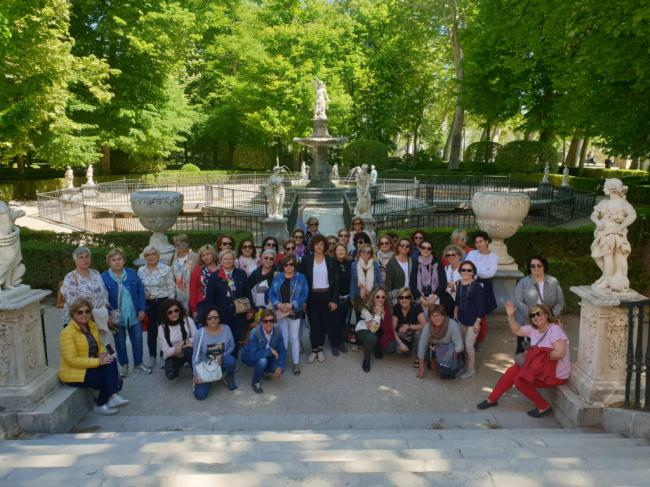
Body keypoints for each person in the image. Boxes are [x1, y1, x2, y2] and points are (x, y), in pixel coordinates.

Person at [477, 302, 570, 417]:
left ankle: (543, 406)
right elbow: (516, 330)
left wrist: (534, 354)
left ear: (546, 315)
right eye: (532, 315)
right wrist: (510, 316)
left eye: (538, 313)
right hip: (540, 368)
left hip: (555, 373)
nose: (536, 317)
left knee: (519, 381)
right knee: (512, 371)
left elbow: (560, 353)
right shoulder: (533, 329)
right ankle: (492, 399)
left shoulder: (554, 330)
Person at [59, 298, 128, 415]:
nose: (84, 315)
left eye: (87, 311)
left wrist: (102, 353)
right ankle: (100, 404)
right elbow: (72, 360)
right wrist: (98, 362)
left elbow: (100, 345)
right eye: (79, 312)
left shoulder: (91, 326)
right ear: (73, 314)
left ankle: (113, 397)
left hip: (90, 365)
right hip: (74, 372)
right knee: (106, 378)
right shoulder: (67, 333)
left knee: (111, 360)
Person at [101, 248, 151, 377]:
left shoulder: (132, 273)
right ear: (109, 262)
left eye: (119, 259)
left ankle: (138, 364)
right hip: (117, 318)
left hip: (134, 315)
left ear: (124, 260)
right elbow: (102, 298)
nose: (117, 262)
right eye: (113, 260)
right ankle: (124, 365)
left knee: (138, 340)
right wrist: (108, 315)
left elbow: (140, 292)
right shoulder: (104, 277)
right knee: (120, 342)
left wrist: (142, 309)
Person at [298, 235, 339, 364]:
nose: (319, 246)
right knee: (314, 324)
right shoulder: (306, 260)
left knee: (324, 324)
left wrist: (334, 300)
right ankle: (314, 349)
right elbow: (301, 281)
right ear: (312, 246)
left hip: (326, 295)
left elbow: (336, 282)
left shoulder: (331, 260)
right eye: (317, 244)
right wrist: (303, 300)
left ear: (325, 246)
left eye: (321, 244)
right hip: (312, 296)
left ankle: (320, 348)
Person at [204, 249, 252, 358]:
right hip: (221, 312)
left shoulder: (241, 273)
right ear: (220, 261)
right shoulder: (215, 276)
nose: (228, 261)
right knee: (219, 336)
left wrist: (251, 309)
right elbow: (210, 297)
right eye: (225, 259)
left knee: (235, 336)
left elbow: (247, 292)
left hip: (239, 311)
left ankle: (233, 360)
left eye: (231, 258)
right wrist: (211, 313)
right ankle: (217, 362)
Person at [514, 256, 565, 354]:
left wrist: (551, 316)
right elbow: (518, 302)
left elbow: (560, 302)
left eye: (539, 265)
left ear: (544, 266)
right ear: (529, 268)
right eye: (532, 266)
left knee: (546, 352)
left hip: (548, 323)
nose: (536, 268)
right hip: (528, 322)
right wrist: (533, 316)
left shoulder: (553, 281)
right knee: (524, 352)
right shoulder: (523, 282)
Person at [269, 255, 308, 374]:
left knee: (294, 338)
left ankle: (296, 363)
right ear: (283, 266)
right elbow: (271, 293)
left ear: (295, 265)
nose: (288, 267)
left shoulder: (301, 277)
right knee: (284, 338)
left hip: (294, 311)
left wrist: (292, 305)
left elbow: (304, 294)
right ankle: (282, 362)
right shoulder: (277, 277)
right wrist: (279, 304)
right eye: (286, 264)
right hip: (281, 311)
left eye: (291, 264)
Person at [138, 245, 175, 368]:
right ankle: (152, 356)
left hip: (164, 302)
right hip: (149, 304)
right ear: (145, 257)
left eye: (153, 254)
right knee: (151, 331)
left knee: (165, 330)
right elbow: (139, 287)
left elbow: (171, 288)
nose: (151, 257)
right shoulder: (141, 270)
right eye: (148, 255)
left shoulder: (166, 269)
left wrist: (171, 306)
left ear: (158, 255)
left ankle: (165, 354)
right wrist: (144, 293)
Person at [60, 246, 110, 334]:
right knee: (83, 346)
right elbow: (72, 302)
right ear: (75, 260)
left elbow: (104, 292)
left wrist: (104, 308)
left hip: (99, 319)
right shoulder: (70, 277)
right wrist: (89, 314)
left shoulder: (96, 273)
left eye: (87, 256)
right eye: (81, 257)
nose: (85, 259)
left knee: (97, 345)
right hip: (80, 320)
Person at [192, 306, 238, 399]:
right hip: (206, 365)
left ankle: (229, 377)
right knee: (200, 396)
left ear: (219, 318)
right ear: (205, 319)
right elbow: (195, 356)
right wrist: (196, 374)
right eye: (209, 318)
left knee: (231, 360)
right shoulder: (199, 333)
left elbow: (232, 346)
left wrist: (222, 355)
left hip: (221, 361)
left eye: (215, 317)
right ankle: (211, 377)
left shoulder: (226, 329)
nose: (213, 320)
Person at [465, 231, 498, 350]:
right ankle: (469, 339)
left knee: (481, 314)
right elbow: (466, 267)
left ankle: (480, 340)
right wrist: (477, 272)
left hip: (484, 287)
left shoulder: (494, 256)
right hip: (469, 284)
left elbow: (490, 273)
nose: (478, 244)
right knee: (470, 311)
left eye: (481, 241)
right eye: (476, 242)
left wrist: (474, 272)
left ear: (487, 242)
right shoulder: (472, 253)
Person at [241, 309, 287, 393]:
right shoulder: (255, 332)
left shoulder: (277, 330)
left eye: (271, 320)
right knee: (262, 361)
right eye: (265, 321)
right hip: (248, 355)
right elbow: (254, 355)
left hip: (264, 354)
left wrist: (280, 366)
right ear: (261, 322)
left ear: (274, 321)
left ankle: (263, 371)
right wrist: (270, 351)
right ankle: (255, 382)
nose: (268, 323)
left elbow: (282, 350)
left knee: (279, 367)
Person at [454, 261, 485, 379]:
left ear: (473, 272)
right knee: (462, 345)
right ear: (460, 271)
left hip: (473, 321)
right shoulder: (459, 284)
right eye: (463, 270)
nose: (466, 272)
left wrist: (478, 322)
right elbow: (457, 301)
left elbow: (481, 307)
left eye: (469, 270)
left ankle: (471, 370)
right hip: (461, 320)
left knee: (468, 346)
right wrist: (455, 314)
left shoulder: (477, 286)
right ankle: (466, 366)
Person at [417, 304, 464, 380]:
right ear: (430, 318)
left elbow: (460, 346)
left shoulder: (452, 324)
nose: (436, 318)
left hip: (451, 352)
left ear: (444, 315)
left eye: (439, 315)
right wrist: (421, 369)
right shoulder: (427, 326)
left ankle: (442, 363)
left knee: (447, 376)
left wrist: (445, 355)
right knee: (424, 354)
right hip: (435, 349)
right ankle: (435, 361)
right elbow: (421, 346)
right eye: (433, 316)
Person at [410, 239, 452, 316]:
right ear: (419, 248)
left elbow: (443, 283)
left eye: (428, 248)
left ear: (431, 250)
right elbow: (412, 284)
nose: (426, 250)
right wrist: (422, 299)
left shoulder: (437, 263)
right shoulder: (415, 263)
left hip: (436, 296)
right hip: (421, 297)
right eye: (423, 247)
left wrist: (434, 298)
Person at [158, 299, 197, 381]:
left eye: (176, 310)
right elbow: (165, 350)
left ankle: (196, 374)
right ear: (165, 314)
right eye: (170, 312)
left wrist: (182, 343)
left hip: (188, 350)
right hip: (174, 354)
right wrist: (176, 349)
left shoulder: (188, 320)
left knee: (189, 351)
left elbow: (197, 337)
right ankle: (180, 364)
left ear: (180, 310)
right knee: (171, 375)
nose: (174, 314)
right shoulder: (162, 328)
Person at [355, 287, 391, 372]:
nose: (380, 299)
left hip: (378, 330)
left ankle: (377, 347)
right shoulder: (366, 308)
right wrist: (378, 314)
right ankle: (366, 360)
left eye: (383, 297)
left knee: (389, 345)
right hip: (364, 330)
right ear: (373, 297)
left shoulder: (387, 307)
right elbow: (372, 329)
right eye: (377, 297)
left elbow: (387, 326)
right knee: (372, 337)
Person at [391, 288, 426, 358]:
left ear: (411, 299)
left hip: (414, 334)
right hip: (402, 335)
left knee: (420, 332)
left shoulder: (417, 306)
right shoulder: (397, 307)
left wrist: (408, 326)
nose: (404, 300)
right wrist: (400, 343)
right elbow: (393, 328)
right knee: (397, 350)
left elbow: (425, 325)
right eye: (401, 297)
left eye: (407, 297)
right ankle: (406, 347)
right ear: (398, 299)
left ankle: (418, 355)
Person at [188, 244, 219, 322]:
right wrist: (194, 310)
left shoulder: (221, 268)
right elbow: (193, 291)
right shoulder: (197, 270)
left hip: (220, 302)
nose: (206, 257)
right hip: (203, 304)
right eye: (203, 255)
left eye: (208, 254)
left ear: (213, 254)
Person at [170, 234, 199, 313]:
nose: (180, 246)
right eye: (177, 244)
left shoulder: (194, 256)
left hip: (191, 291)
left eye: (183, 244)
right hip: (177, 292)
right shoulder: (174, 257)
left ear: (188, 244)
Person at [351, 243, 381, 314]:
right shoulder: (354, 264)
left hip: (372, 295)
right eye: (363, 251)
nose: (365, 254)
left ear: (371, 254)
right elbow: (352, 281)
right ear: (359, 252)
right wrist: (352, 297)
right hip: (358, 295)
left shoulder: (375, 264)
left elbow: (379, 280)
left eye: (368, 252)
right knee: (359, 318)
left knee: (372, 318)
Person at [332, 243, 352, 355]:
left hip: (346, 297)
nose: (340, 252)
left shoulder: (349, 263)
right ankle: (334, 344)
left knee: (343, 322)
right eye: (338, 250)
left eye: (342, 250)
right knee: (335, 322)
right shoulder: (331, 263)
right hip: (336, 298)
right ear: (335, 252)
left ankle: (340, 342)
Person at [384, 237, 414, 303]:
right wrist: (389, 295)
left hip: (410, 295)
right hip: (397, 296)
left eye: (407, 246)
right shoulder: (391, 262)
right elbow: (388, 281)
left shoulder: (413, 261)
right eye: (402, 245)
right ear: (398, 247)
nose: (404, 247)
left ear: (410, 248)